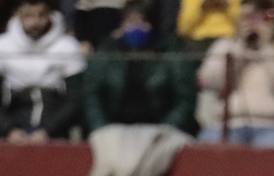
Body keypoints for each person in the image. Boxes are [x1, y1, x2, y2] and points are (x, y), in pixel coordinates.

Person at [197, 0, 274, 145]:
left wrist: (266, 47)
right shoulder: (225, 45)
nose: (252, 23)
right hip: (227, 126)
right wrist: (240, 49)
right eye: (246, 17)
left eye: (261, 17)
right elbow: (210, 82)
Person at [84, 0, 197, 131]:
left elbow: (185, 100)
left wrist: (166, 129)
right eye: (130, 22)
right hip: (115, 129)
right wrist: (101, 128)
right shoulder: (108, 52)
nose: (136, 27)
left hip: (162, 130)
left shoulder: (171, 52)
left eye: (142, 22)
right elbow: (92, 96)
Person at [0, 0, 85, 143]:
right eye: (29, 16)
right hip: (13, 120)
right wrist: (9, 129)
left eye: (41, 15)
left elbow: (75, 99)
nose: (36, 22)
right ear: (18, 14)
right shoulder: (3, 45)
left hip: (54, 124)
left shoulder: (68, 46)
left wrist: (47, 130)